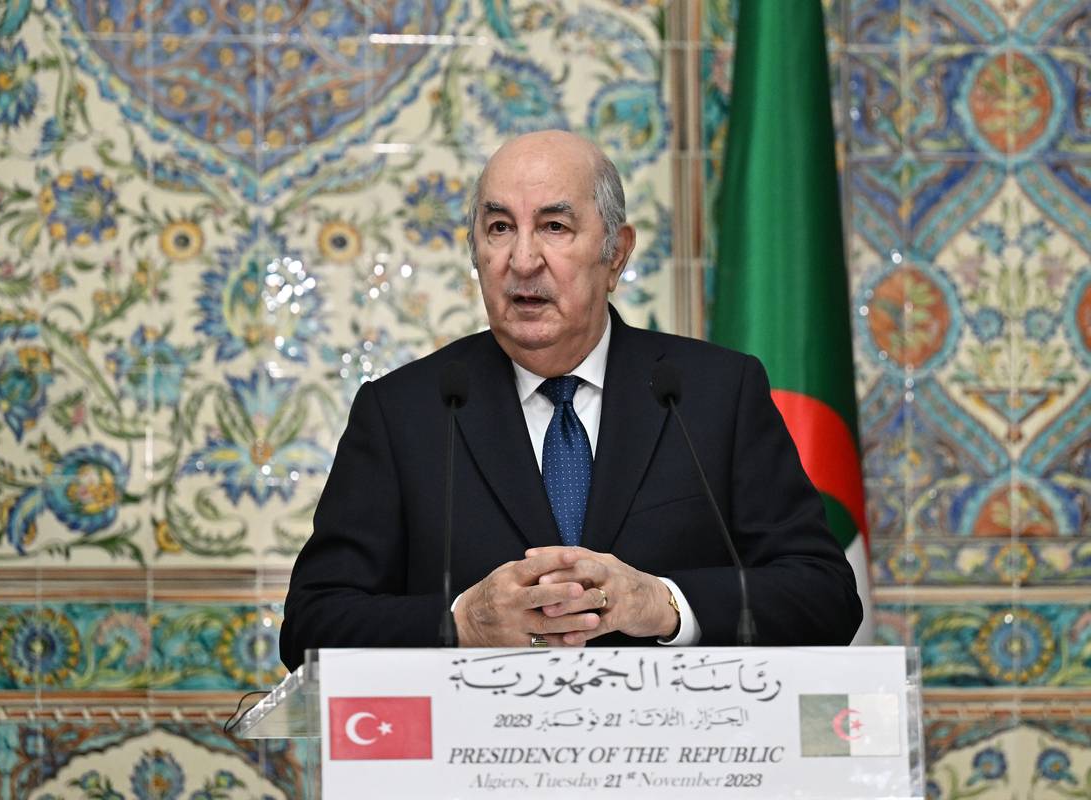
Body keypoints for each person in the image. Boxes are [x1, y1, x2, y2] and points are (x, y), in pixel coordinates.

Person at [279, 130, 861, 670]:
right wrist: (462, 624)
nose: (522, 260)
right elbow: (310, 626)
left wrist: (662, 603)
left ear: (616, 254)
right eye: (499, 228)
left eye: (554, 227)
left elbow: (826, 596)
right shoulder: (402, 413)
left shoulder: (714, 394)